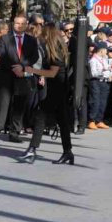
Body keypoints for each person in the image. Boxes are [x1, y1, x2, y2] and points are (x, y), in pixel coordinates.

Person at [17, 22, 74, 164]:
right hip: (58, 87)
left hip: (58, 87)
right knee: (62, 121)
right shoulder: (54, 48)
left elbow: (53, 72)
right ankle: (68, 152)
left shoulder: (57, 51)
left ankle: (32, 149)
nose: (41, 36)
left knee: (40, 117)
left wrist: (31, 71)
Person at [0, 15, 39, 144]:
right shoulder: (5, 38)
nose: (19, 25)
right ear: (13, 24)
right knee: (2, 106)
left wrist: (22, 66)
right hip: (7, 76)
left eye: (22, 23)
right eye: (17, 23)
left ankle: (15, 132)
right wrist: (14, 67)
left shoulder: (31, 40)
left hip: (22, 77)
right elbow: (1, 56)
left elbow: (34, 57)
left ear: (26, 25)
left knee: (19, 106)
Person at [87, 41, 112, 130]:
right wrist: (104, 73)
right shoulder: (93, 60)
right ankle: (92, 120)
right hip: (96, 82)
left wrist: (108, 73)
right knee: (95, 101)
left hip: (104, 82)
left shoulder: (103, 59)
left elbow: (109, 69)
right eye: (106, 50)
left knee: (103, 101)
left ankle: (99, 120)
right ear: (101, 50)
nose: (107, 52)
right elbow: (93, 73)